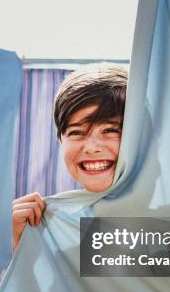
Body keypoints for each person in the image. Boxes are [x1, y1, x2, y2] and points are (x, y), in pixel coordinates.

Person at [12, 64, 128, 251]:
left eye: (110, 130)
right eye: (76, 132)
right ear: (60, 141)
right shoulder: (52, 224)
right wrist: (22, 249)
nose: (91, 148)